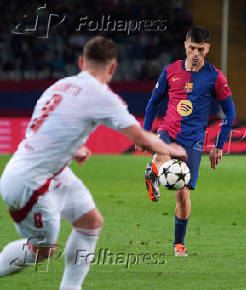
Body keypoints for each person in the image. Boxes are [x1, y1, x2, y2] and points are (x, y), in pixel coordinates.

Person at [0, 36, 187, 289]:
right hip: (30, 182)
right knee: (43, 250)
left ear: (81, 62)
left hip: (46, 170)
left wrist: (73, 148)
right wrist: (170, 148)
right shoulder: (103, 97)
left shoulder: (59, 86)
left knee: (91, 223)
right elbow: (141, 139)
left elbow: (43, 127)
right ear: (112, 68)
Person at [142, 26, 236, 256]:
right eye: (192, 48)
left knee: (182, 195)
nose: (195, 53)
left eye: (200, 49)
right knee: (162, 155)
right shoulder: (170, 70)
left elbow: (230, 113)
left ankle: (178, 243)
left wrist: (219, 145)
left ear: (208, 48)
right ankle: (154, 168)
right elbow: (154, 101)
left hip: (193, 140)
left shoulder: (215, 77)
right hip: (168, 131)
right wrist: (145, 132)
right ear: (185, 45)